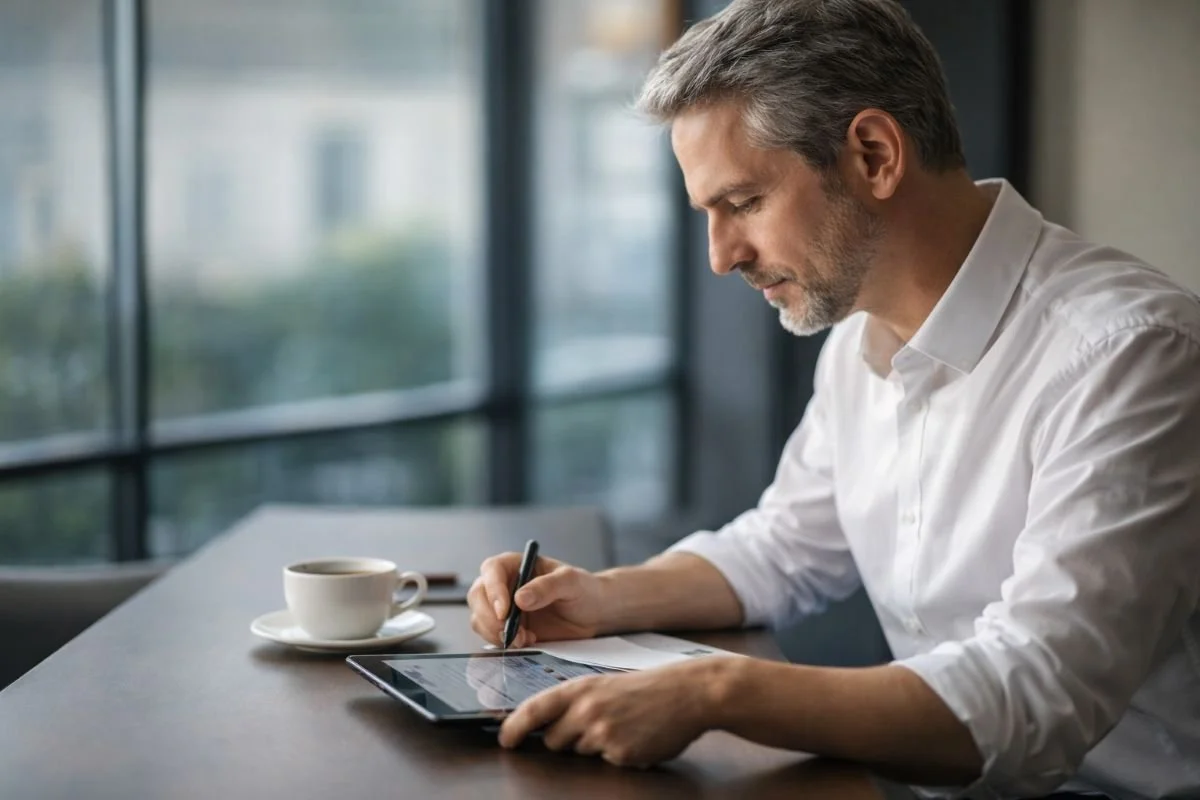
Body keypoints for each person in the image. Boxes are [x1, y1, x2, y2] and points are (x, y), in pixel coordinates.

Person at [467, 0, 1200, 796]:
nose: (721, 257)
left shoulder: (1130, 353)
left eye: (743, 203)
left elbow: (1036, 694)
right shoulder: (858, 339)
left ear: (875, 154)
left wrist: (716, 692)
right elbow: (784, 547)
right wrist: (594, 598)